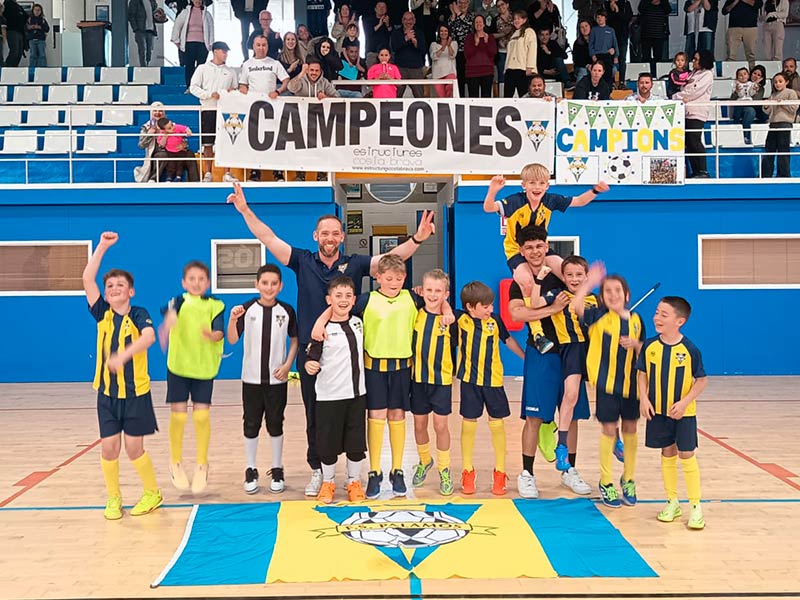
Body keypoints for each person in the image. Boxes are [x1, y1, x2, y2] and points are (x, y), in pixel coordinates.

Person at [226, 183, 435, 498]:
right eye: (325, 233)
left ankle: (354, 476)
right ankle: (318, 473)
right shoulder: (302, 260)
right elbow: (268, 238)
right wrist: (244, 210)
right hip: (314, 356)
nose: (330, 238)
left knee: (352, 418)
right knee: (316, 417)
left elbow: (391, 260)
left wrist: (418, 238)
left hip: (348, 355)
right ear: (316, 237)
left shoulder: (356, 263)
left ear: (342, 237)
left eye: (336, 233)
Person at [310, 255, 447, 500]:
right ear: (378, 278)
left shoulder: (411, 298)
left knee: (396, 416)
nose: (393, 282)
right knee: (376, 416)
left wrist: (447, 310)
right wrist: (320, 322)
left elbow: (437, 302)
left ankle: (397, 471)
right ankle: (374, 472)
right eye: (388, 278)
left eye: (398, 278)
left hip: (402, 368)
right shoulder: (366, 300)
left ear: (405, 278)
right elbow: (338, 307)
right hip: (374, 368)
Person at [82, 232, 162, 520]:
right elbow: (87, 279)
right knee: (109, 448)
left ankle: (152, 492)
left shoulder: (139, 314)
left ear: (131, 292)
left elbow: (150, 337)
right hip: (106, 394)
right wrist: (102, 247)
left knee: (133, 448)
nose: (115, 288)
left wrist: (123, 356)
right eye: (111, 285)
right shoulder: (102, 313)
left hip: (136, 394)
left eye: (121, 285)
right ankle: (114, 497)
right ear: (105, 293)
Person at [509, 225, 590, 498]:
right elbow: (518, 314)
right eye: (529, 247)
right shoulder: (517, 282)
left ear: (547, 246)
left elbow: (585, 292)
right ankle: (527, 474)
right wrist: (552, 308)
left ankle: (569, 470)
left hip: (571, 351)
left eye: (539, 246)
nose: (535, 251)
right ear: (521, 251)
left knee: (573, 415)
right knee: (533, 416)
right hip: (541, 353)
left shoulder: (562, 276)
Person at [483, 163, 608, 333]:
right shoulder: (515, 201)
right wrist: (493, 190)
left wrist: (596, 190)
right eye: (532, 183)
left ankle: (580, 309)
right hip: (516, 250)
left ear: (547, 186)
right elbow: (488, 208)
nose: (537, 187)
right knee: (526, 282)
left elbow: (579, 201)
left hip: (541, 248)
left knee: (567, 271)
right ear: (524, 185)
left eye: (541, 183)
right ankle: (537, 332)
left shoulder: (550, 200)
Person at [572, 264, 645, 507]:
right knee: (609, 429)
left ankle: (630, 478)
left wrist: (635, 344)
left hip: (632, 386)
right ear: (602, 297)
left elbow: (644, 351)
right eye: (607, 291)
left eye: (617, 290)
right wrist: (589, 283)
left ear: (627, 295)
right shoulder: (598, 316)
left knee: (631, 429)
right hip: (606, 384)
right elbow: (577, 306)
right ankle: (606, 482)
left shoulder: (636, 320)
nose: (613, 295)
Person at [227, 264, 298, 495]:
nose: (269, 287)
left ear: (280, 286)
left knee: (276, 424)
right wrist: (232, 319)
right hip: (251, 380)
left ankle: (277, 468)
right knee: (251, 424)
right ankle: (250, 468)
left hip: (277, 381)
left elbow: (295, 339)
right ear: (257, 284)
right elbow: (232, 340)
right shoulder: (246, 309)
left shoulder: (286, 310)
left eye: (274, 283)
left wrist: (288, 365)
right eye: (264, 283)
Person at [637, 296, 707, 530]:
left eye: (663, 315)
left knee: (686, 454)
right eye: (657, 312)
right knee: (667, 453)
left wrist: (685, 403)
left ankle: (696, 506)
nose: (657, 317)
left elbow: (701, 381)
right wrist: (644, 398)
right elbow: (642, 373)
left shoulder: (689, 349)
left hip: (683, 414)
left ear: (680, 321)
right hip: (658, 411)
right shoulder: (649, 346)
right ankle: (672, 502)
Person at [159, 260, 225, 495]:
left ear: (208, 282)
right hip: (178, 366)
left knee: (200, 416)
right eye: (192, 279)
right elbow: (167, 317)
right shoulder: (177, 301)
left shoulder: (216, 305)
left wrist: (212, 335)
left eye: (201, 279)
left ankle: (201, 464)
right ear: (183, 282)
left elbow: (219, 332)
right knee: (178, 416)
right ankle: (175, 462)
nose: (196, 283)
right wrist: (167, 325)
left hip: (203, 368)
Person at [457, 281, 525, 496]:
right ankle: (467, 470)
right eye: (485, 306)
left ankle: (500, 472)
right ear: (470, 307)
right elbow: (440, 307)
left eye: (491, 305)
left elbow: (507, 340)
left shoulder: (495, 321)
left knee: (497, 425)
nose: (491, 309)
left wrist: (525, 358)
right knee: (469, 424)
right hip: (469, 381)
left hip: (494, 382)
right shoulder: (460, 319)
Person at [304, 276, 367, 503]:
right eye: (338, 296)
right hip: (329, 397)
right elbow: (311, 357)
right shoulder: (322, 329)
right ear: (328, 299)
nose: (343, 300)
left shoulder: (359, 323)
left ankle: (353, 482)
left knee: (356, 443)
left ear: (354, 299)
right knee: (327, 443)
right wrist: (309, 365)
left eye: (348, 296)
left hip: (357, 396)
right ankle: (328, 482)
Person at [534, 256, 596, 479]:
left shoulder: (596, 300)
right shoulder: (559, 295)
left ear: (586, 276)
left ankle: (616, 437)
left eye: (579, 275)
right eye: (569, 274)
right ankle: (562, 446)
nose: (574, 278)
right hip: (572, 350)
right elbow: (534, 304)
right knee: (570, 396)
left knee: (612, 392)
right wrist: (539, 282)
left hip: (593, 350)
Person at [410, 269, 457, 496]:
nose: (432, 294)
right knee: (419, 425)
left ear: (446, 293)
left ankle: (445, 469)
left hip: (441, 382)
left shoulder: (450, 319)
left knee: (440, 426)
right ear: (422, 290)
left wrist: (447, 311)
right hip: (417, 380)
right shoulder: (415, 313)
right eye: (428, 289)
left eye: (438, 291)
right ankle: (424, 460)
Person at [189, 41, 239, 183]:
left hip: (225, 111)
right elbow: (193, 87)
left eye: (226, 52)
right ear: (215, 51)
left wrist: (230, 93)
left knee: (227, 142)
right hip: (208, 109)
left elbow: (234, 89)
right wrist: (209, 94)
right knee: (207, 143)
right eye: (223, 52)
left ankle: (227, 173)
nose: (225, 54)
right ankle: (208, 173)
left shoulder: (231, 71)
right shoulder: (202, 68)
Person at [288, 58, 339, 181]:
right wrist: (301, 73)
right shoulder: (301, 80)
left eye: (316, 70)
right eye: (311, 70)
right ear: (307, 70)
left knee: (321, 148)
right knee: (300, 148)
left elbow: (337, 97)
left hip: (319, 122)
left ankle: (321, 174)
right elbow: (291, 88)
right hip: (301, 120)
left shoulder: (325, 83)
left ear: (320, 71)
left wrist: (326, 97)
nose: (314, 73)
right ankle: (300, 175)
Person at [673, 50, 713, 178]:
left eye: (696, 59)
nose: (693, 61)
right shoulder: (692, 74)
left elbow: (693, 91)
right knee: (689, 142)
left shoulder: (707, 74)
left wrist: (675, 96)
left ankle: (703, 171)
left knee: (695, 140)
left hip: (697, 112)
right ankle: (695, 171)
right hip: (685, 112)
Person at [761, 73, 798, 178]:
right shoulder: (772, 95)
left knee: (783, 150)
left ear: (786, 82)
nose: (777, 84)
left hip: (785, 124)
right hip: (773, 125)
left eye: (780, 81)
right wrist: (767, 105)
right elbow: (767, 111)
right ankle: (766, 175)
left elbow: (794, 107)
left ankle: (784, 175)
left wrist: (782, 103)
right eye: (775, 82)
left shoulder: (791, 93)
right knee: (769, 149)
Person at [172, 0, 214, 90]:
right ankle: (189, 87)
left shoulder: (207, 14)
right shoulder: (185, 12)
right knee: (189, 66)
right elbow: (177, 25)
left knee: (201, 67)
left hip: (203, 44)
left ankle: (199, 87)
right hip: (189, 43)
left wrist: (211, 44)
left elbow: (211, 29)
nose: (197, 1)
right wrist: (176, 40)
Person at [391, 11, 428, 98]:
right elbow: (394, 47)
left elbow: (424, 50)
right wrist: (406, 38)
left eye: (410, 19)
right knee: (396, 96)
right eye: (406, 19)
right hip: (400, 68)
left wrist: (416, 43)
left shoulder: (419, 33)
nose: (408, 22)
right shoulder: (396, 32)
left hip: (416, 69)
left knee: (420, 96)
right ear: (402, 21)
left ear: (414, 20)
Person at [503, 10, 537, 98]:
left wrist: (530, 67)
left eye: (519, 18)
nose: (516, 21)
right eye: (514, 19)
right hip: (510, 69)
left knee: (524, 96)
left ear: (524, 20)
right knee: (507, 97)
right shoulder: (513, 33)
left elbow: (532, 50)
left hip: (522, 69)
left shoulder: (529, 31)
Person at [134, 102, 169, 183]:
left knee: (189, 154)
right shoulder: (146, 126)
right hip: (154, 153)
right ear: (151, 112)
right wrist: (150, 134)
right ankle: (153, 178)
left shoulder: (170, 125)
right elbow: (141, 145)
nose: (157, 113)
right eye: (155, 111)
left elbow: (180, 138)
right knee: (162, 155)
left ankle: (195, 180)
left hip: (170, 150)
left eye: (160, 111)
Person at [156, 117, 198, 182]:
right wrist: (165, 136)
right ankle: (169, 177)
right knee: (170, 164)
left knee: (180, 163)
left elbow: (185, 128)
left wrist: (188, 131)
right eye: (169, 128)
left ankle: (179, 177)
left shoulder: (177, 127)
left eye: (172, 125)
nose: (173, 128)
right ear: (164, 130)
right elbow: (161, 144)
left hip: (180, 150)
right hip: (169, 151)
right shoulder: (162, 133)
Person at [464, 14, 497, 97]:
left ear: (484, 24)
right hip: (472, 72)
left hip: (487, 71)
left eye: (480, 22)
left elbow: (493, 52)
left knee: (486, 98)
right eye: (476, 22)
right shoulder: (469, 37)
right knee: (473, 98)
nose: (478, 24)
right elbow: (467, 54)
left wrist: (486, 42)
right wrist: (476, 43)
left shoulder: (490, 37)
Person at [448, 0, 476, 97]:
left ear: (468, 4)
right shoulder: (452, 17)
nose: (463, 5)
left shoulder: (472, 16)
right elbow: (449, 32)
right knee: (459, 78)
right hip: (457, 53)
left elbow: (471, 26)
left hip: (470, 53)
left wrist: (459, 13)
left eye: (465, 3)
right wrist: (453, 15)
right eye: (460, 3)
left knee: (471, 78)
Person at [722, 0, 762, 67]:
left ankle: (752, 72)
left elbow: (758, 5)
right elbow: (725, 11)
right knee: (731, 55)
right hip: (734, 28)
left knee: (751, 55)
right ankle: (729, 73)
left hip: (750, 27)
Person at [606, 0, 633, 83]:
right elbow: (606, 19)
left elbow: (627, 18)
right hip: (609, 36)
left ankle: (621, 81)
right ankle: (611, 81)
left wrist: (617, 11)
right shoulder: (606, 4)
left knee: (622, 59)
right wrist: (613, 10)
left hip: (622, 36)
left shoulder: (626, 3)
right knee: (609, 59)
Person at [589, 10, 619, 85]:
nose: (600, 19)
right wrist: (592, 55)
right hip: (598, 56)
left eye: (602, 17)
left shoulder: (610, 30)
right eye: (598, 17)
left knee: (608, 74)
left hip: (607, 55)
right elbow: (591, 44)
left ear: (605, 18)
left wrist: (616, 56)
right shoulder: (594, 30)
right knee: (598, 74)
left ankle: (608, 91)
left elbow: (615, 44)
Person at [637, 0, 670, 64]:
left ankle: (657, 73)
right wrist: (650, 2)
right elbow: (640, 9)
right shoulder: (645, 2)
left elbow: (668, 10)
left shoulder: (663, 2)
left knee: (658, 57)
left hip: (659, 33)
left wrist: (661, 2)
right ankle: (646, 73)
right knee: (646, 57)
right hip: (646, 33)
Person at [430, 23, 459, 98]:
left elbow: (452, 55)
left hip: (450, 71)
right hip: (437, 74)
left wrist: (448, 45)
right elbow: (434, 56)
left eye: (446, 31)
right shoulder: (433, 44)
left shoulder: (454, 43)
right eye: (441, 31)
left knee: (450, 92)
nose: (443, 33)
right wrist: (443, 47)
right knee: (441, 97)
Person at [128, 0, 157, 67]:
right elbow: (131, 15)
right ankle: (143, 68)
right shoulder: (135, 1)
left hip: (150, 29)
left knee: (149, 51)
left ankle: (147, 65)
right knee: (142, 50)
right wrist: (135, 29)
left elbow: (155, 12)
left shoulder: (152, 1)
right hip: (140, 30)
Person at [364, 1, 393, 68]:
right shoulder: (368, 20)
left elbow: (392, 33)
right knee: (372, 75)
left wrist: (387, 24)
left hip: (385, 53)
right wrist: (379, 24)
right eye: (379, 6)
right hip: (372, 52)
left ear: (386, 10)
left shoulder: (388, 19)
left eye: (383, 7)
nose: (381, 9)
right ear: (375, 9)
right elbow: (368, 33)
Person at [493, 0, 514, 87]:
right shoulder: (495, 20)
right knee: (502, 76)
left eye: (502, 4)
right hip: (501, 51)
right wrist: (503, 33)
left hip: (514, 51)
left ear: (507, 4)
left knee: (514, 75)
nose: (501, 7)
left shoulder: (515, 17)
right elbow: (491, 35)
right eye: (498, 6)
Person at [3, 0, 26, 67]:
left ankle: (14, 68)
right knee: (14, 51)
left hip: (20, 31)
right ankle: (7, 68)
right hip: (12, 30)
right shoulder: (7, 3)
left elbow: (25, 16)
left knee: (19, 52)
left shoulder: (18, 6)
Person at [26, 3, 49, 68]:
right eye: (35, 10)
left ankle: (42, 68)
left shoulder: (43, 20)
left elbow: (47, 29)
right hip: (32, 39)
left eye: (38, 10)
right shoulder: (29, 19)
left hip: (41, 40)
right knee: (33, 55)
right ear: (33, 11)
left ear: (41, 11)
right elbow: (25, 28)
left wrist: (40, 27)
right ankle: (32, 69)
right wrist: (30, 27)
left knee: (42, 55)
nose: (37, 11)